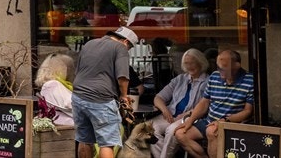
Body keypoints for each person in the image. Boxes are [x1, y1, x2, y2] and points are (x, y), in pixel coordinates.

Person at [173, 48, 254, 158]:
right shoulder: (215, 76)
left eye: (224, 67)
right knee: (180, 134)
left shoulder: (249, 80)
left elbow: (247, 111)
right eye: (218, 67)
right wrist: (190, 120)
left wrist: (225, 120)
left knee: (211, 131)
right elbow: (204, 102)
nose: (220, 71)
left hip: (232, 123)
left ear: (237, 66)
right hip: (209, 120)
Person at [71, 26, 138, 158]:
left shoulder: (90, 44)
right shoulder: (120, 48)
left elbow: (77, 71)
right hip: (101, 99)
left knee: (84, 140)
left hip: (78, 97)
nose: (127, 50)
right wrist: (123, 96)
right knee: (107, 143)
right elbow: (122, 77)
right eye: (129, 47)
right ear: (125, 42)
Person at [149, 48, 209, 158]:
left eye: (192, 63)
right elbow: (158, 98)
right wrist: (165, 110)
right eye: (186, 63)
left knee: (171, 131)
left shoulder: (207, 82)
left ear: (201, 62)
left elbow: (204, 106)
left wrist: (186, 114)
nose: (189, 66)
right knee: (150, 128)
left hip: (191, 118)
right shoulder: (180, 79)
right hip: (171, 116)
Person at [34, 53, 76, 128]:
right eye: (69, 68)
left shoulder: (57, 84)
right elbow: (69, 104)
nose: (72, 71)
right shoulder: (52, 85)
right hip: (65, 125)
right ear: (60, 68)